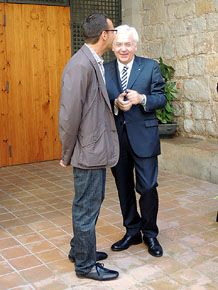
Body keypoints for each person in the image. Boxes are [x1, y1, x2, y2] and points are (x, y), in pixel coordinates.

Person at [58, 13, 119, 281]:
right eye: (113, 31)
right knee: (86, 206)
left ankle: (79, 249)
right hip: (87, 151)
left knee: (92, 202)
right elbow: (69, 115)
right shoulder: (80, 65)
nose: (115, 35)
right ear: (104, 35)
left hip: (94, 149)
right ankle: (85, 265)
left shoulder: (93, 61)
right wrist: (67, 153)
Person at [104, 25, 166, 257]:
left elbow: (161, 98)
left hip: (145, 137)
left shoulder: (150, 67)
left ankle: (150, 233)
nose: (123, 48)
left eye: (127, 44)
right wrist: (114, 104)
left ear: (135, 46)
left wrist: (142, 99)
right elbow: (99, 100)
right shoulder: (105, 70)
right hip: (117, 138)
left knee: (148, 187)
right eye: (118, 44)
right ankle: (132, 230)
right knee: (123, 187)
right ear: (113, 46)